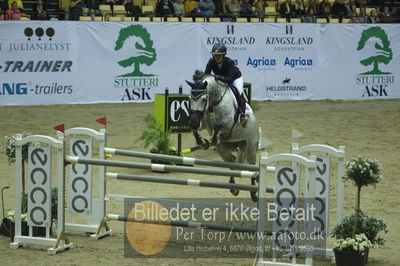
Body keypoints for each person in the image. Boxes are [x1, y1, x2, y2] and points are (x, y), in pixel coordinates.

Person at [205, 43, 248, 126]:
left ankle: (242, 114)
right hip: (221, 79)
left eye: (219, 55)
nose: (216, 57)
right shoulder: (211, 62)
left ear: (223, 55)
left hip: (235, 78)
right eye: (215, 55)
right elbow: (206, 75)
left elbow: (229, 80)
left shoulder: (230, 63)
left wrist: (217, 76)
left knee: (238, 91)